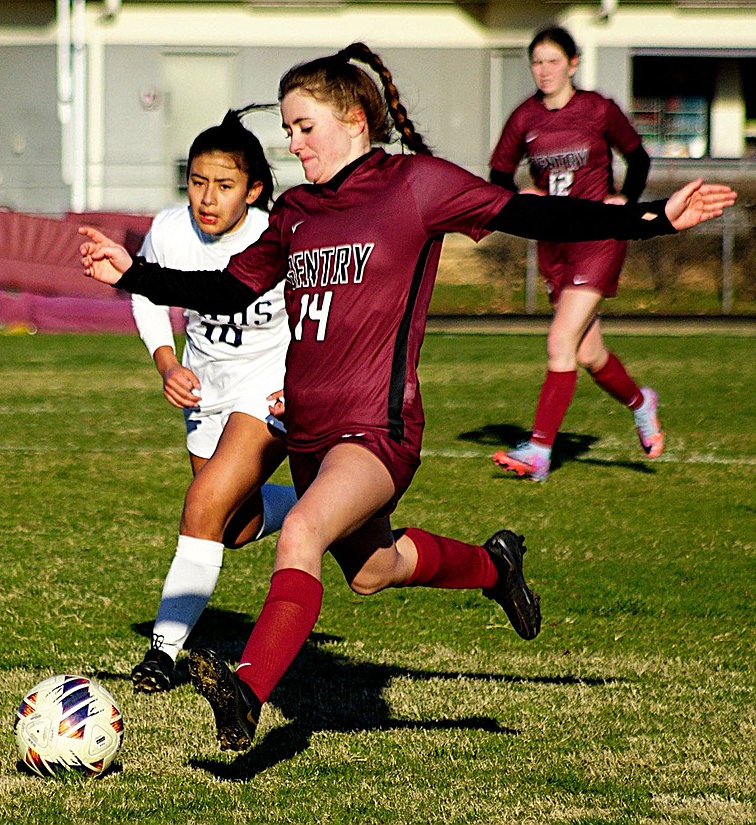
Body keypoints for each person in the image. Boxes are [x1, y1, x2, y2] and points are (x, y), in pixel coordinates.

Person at [79, 42, 735, 751]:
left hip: (377, 428)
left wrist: (654, 218)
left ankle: (245, 689)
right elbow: (224, 289)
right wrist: (134, 275)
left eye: (305, 127)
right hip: (307, 433)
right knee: (371, 568)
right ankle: (495, 565)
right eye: (290, 130)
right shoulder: (296, 211)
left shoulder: (415, 185)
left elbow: (532, 213)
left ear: (356, 118)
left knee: (298, 534)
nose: (293, 145)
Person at [129, 107, 297, 693]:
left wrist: (296, 380)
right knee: (235, 526)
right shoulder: (170, 228)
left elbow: (317, 308)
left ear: (252, 190)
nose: (207, 197)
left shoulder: (276, 235)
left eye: (224, 186)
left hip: (268, 388)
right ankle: (309, 497)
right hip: (205, 386)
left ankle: (163, 650)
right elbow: (147, 295)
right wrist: (167, 360)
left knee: (203, 503)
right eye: (198, 182)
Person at [489, 26, 661, 482]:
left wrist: (626, 199)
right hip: (554, 243)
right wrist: (522, 196)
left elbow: (638, 157)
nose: (543, 70)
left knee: (559, 341)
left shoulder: (597, 109)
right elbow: (498, 174)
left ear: (573, 63)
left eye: (551, 61)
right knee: (588, 353)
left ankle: (540, 451)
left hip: (598, 238)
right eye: (537, 62)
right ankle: (642, 403)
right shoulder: (524, 117)